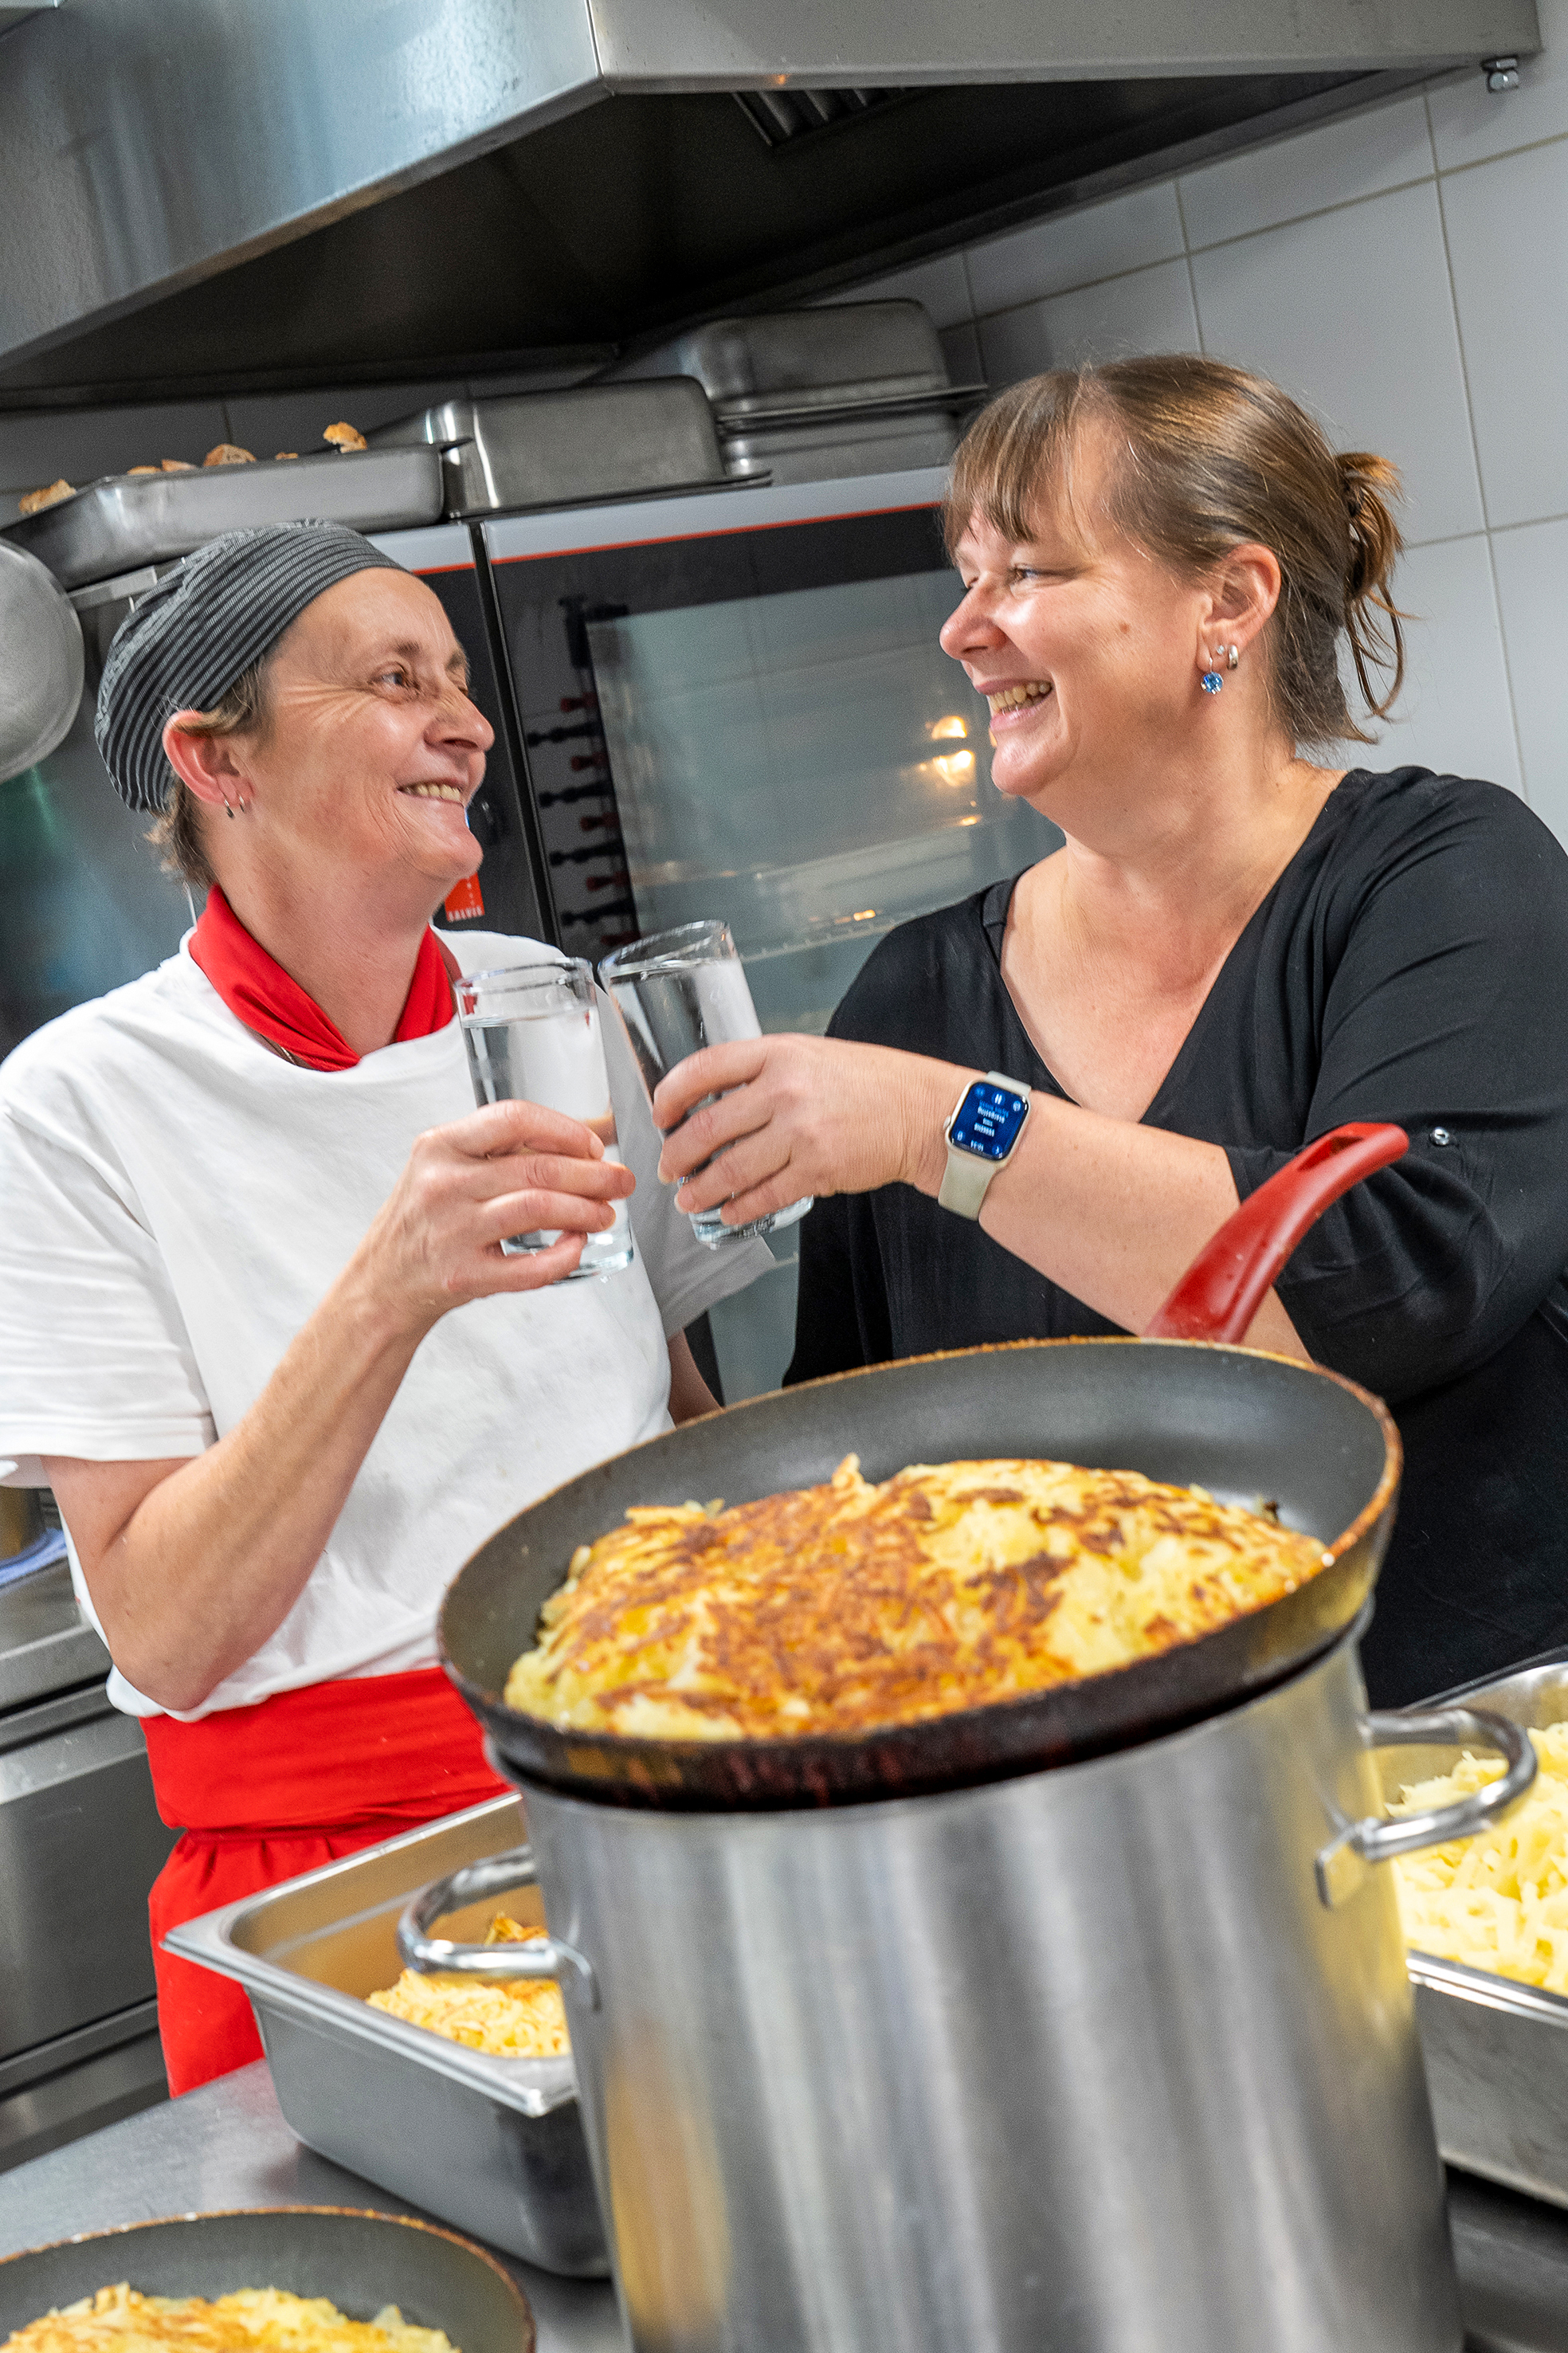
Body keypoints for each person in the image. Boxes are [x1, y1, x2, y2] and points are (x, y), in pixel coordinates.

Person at [650, 355, 1568, 1712]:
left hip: (1469, 1796)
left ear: (1229, 602)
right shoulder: (914, 998)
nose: (964, 629)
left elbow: (1395, 1280)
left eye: (1027, 571)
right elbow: (869, 1474)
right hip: (1086, 1819)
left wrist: (939, 1130)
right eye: (966, 578)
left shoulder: (1447, 874)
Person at [0, 522, 768, 2093]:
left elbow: (673, 1411)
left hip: (675, 1769)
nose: (468, 719)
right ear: (219, 761)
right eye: (394, 678)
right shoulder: (73, 1108)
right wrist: (390, 1291)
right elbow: (166, 1625)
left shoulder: (542, 998)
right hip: (342, 1889)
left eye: (461, 680)